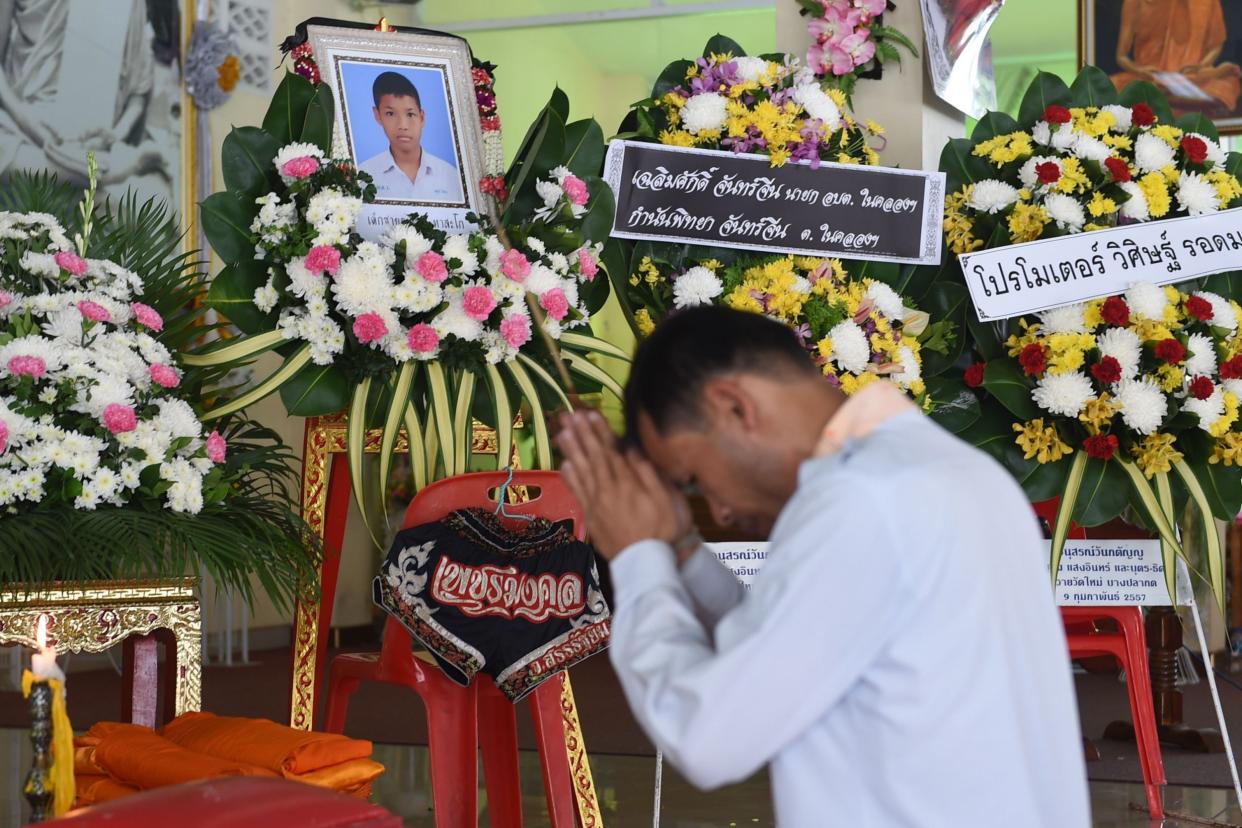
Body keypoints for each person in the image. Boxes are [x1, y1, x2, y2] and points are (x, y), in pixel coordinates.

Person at [555, 306, 1090, 827]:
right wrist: (680, 549)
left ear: (735, 407)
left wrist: (636, 557)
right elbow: (787, 646)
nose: (717, 509)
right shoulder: (949, 471)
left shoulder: (861, 500)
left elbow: (706, 735)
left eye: (693, 478)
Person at [1109, 0, 1241, 115]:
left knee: (1229, 86)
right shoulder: (1134, 3)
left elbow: (1216, 45)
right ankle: (1169, 94)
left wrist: (1202, 65)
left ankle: (1165, 94)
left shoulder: (1208, 2)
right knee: (1115, 85)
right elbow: (1121, 56)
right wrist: (1140, 71)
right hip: (1152, 77)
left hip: (1194, 77)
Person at [358, 70, 463, 203]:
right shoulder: (363, 175)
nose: (403, 126)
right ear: (377, 115)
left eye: (410, 114)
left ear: (422, 117)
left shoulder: (451, 176)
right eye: (390, 113)